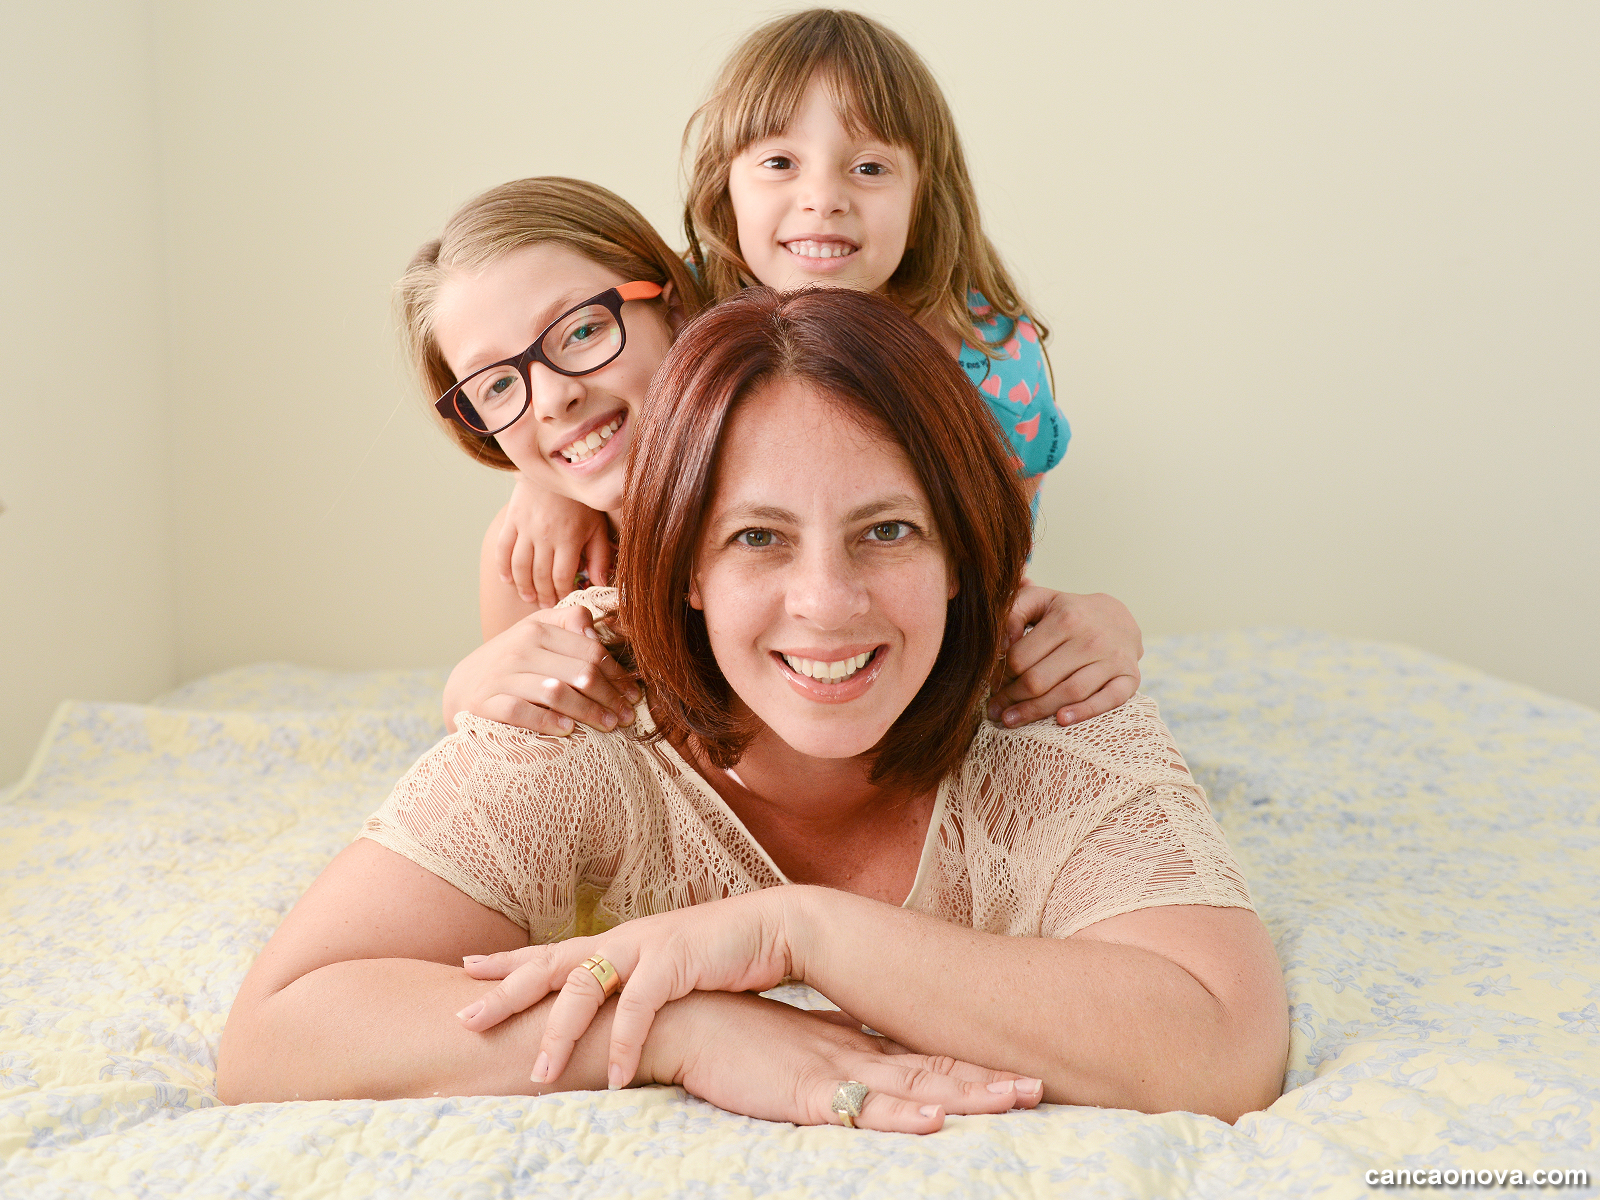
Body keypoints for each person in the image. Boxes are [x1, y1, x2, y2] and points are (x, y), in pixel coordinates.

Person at [217, 288, 1287, 1133]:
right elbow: (278, 1036)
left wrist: (797, 934)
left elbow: (1222, 1047)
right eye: (757, 539)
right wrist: (678, 1027)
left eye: (887, 531)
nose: (826, 603)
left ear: (962, 554)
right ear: (683, 565)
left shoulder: (1044, 692)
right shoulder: (586, 712)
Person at [400, 177, 1144, 741]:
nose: (552, 397)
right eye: (497, 385)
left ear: (676, 306)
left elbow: (983, 615)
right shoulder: (539, 564)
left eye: (582, 330)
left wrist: (1101, 625)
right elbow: (527, 736)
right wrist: (467, 695)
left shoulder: (832, 457)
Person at [495, 9, 1069, 611]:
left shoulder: (990, 356)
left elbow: (998, 565)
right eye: (779, 163)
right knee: (511, 549)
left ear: (924, 194)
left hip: (881, 618)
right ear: (725, 186)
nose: (823, 199)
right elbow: (581, 404)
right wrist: (544, 490)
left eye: (869, 168)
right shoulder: (680, 308)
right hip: (699, 603)